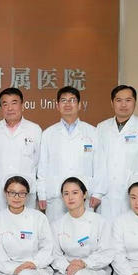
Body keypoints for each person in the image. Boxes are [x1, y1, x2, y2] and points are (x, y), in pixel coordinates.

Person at [47, 176, 113, 275]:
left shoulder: (99, 221)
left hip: (95, 269)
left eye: (75, 192)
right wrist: (68, 266)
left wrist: (84, 263)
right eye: (66, 193)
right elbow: (55, 255)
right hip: (68, 269)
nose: (70, 197)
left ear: (84, 194)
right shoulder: (57, 225)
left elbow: (107, 252)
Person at [37, 87, 105, 222]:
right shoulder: (48, 134)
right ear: (57, 106)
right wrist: (42, 194)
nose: (68, 104)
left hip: (84, 196)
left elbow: (100, 166)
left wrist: (98, 193)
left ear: (79, 105)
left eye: (72, 100)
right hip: (56, 196)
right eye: (63, 100)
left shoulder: (93, 132)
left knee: (84, 231)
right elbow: (42, 168)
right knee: (56, 231)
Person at [96, 85, 138, 221]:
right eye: (119, 100)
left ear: (135, 102)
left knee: (132, 230)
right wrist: (97, 192)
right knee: (106, 230)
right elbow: (97, 162)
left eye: (128, 100)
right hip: (106, 196)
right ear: (112, 103)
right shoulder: (102, 128)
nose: (123, 105)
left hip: (134, 196)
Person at [0, 88, 42, 213]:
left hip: (25, 190)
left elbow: (39, 162)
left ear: (22, 105)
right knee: (0, 223)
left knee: (26, 223)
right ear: (1, 107)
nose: (10, 108)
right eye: (5, 104)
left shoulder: (34, 129)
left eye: (14, 103)